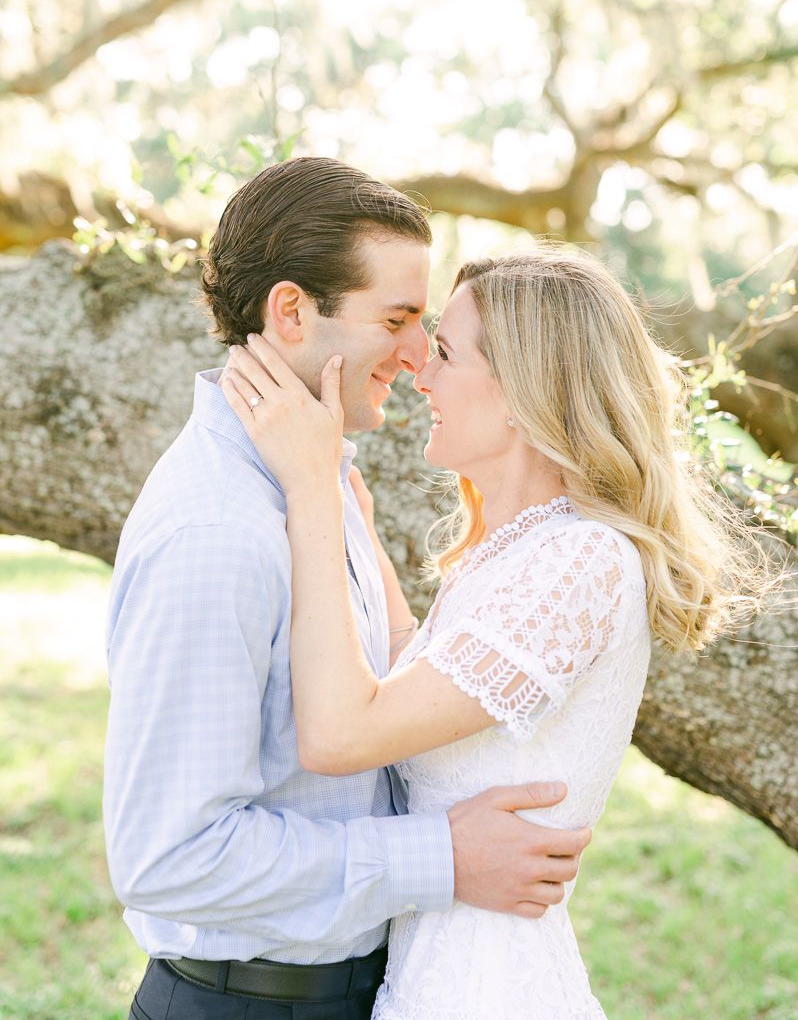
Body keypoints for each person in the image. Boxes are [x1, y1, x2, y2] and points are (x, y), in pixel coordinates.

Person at [103, 158, 591, 1020]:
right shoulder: (217, 532)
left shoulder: (313, 478)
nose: (417, 356)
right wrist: (437, 857)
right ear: (292, 311)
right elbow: (168, 855)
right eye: (398, 319)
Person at [222, 245, 761, 1019]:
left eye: (444, 352)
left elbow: (341, 735)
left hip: (486, 987)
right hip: (441, 969)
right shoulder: (525, 550)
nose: (420, 373)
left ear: (522, 391)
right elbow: (427, 696)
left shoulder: (581, 561)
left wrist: (309, 489)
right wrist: (357, 530)